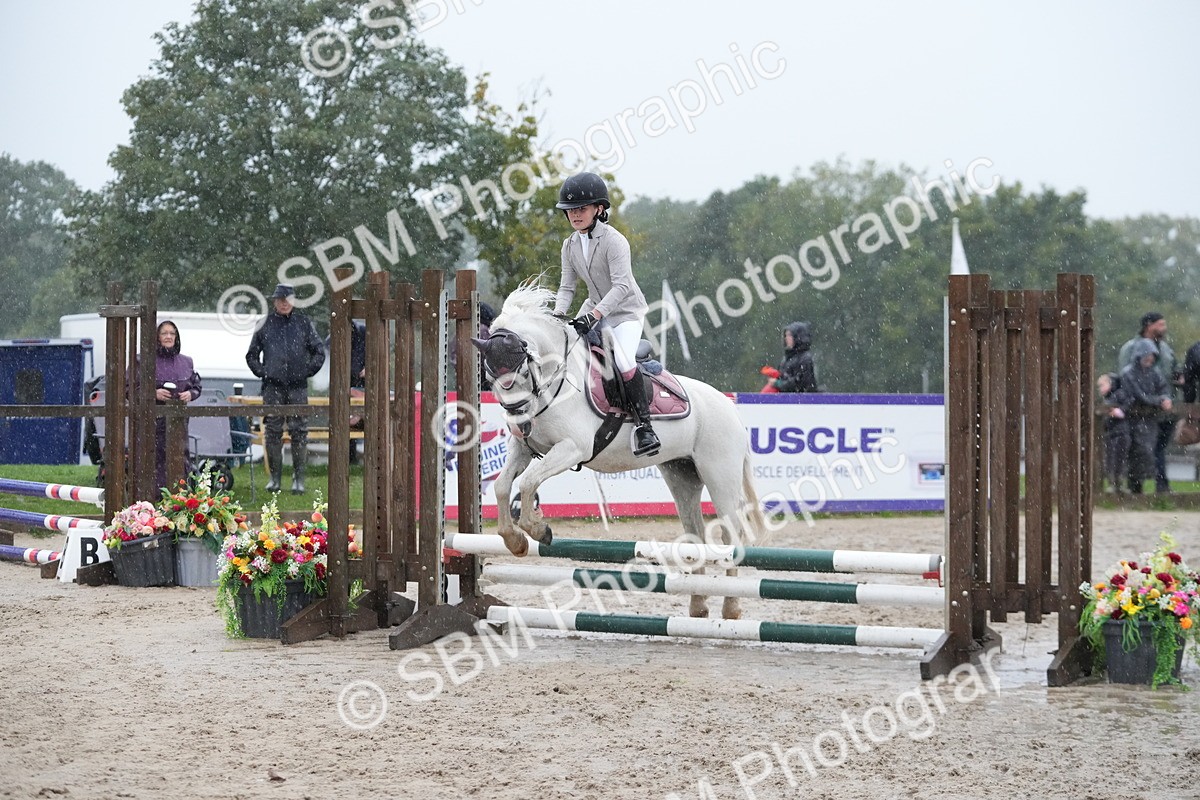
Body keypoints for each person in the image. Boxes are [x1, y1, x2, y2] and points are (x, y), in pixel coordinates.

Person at [551, 172, 659, 457]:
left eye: (581, 209)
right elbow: (566, 286)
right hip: (594, 308)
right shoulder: (569, 245)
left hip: (626, 312)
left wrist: (595, 314)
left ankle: (644, 427)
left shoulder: (615, 241)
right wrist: (557, 314)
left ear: (599, 209)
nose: (575, 215)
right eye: (571, 210)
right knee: (568, 352)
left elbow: (622, 286)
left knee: (622, 360)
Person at [246, 284, 326, 494]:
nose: (284, 303)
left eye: (288, 299)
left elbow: (319, 351)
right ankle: (275, 479)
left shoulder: (303, 323)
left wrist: (307, 371)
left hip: (298, 387)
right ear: (274, 301)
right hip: (272, 387)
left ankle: (298, 479)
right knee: (272, 431)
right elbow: (251, 355)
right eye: (280, 299)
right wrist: (263, 372)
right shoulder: (264, 324)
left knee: (300, 431)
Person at [1118, 312, 1178, 492]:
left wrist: (1170, 391)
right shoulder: (1130, 349)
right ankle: (1135, 486)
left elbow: (1167, 377)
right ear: (1148, 325)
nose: (1164, 328)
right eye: (1160, 324)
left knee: (1158, 447)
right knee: (1138, 447)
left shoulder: (1166, 350)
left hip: (1161, 408)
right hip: (1138, 410)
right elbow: (1126, 379)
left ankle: (1161, 485)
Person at [153, 320, 202, 491]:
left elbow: (196, 386)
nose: (168, 336)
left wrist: (190, 394)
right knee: (155, 461)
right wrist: (153, 393)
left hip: (179, 423)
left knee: (180, 459)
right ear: (157, 337)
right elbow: (131, 388)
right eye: (164, 333)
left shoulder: (186, 362)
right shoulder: (144, 361)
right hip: (153, 423)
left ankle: (180, 499)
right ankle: (154, 499)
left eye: (172, 333)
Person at [1097, 372, 1131, 495]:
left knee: (1118, 459)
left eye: (1102, 385)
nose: (1100, 389)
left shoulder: (1119, 395)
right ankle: (1114, 484)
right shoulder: (1109, 398)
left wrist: (1120, 411)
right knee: (1112, 459)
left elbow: (1127, 405)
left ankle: (1118, 484)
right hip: (1112, 433)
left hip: (1120, 432)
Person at [772, 321, 818, 392]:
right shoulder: (785, 359)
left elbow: (801, 382)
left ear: (798, 337)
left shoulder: (805, 358)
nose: (787, 338)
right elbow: (783, 377)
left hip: (801, 400)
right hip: (786, 400)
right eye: (786, 335)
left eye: (790, 335)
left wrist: (779, 384)